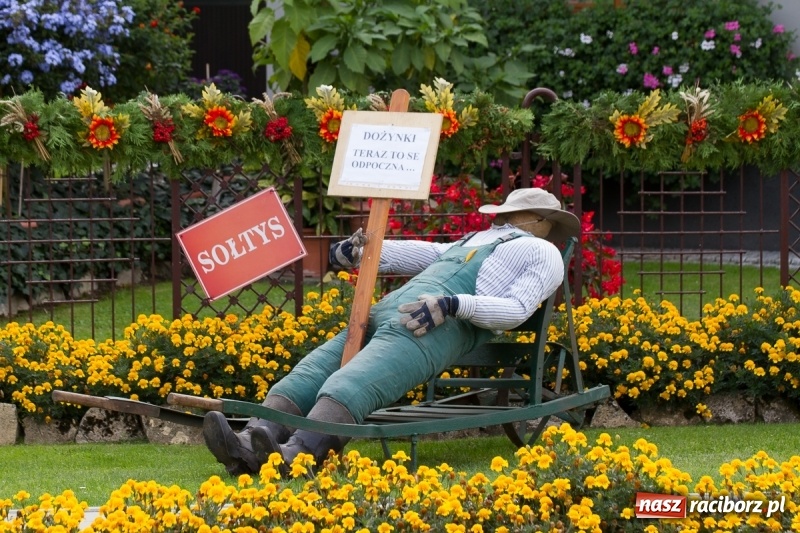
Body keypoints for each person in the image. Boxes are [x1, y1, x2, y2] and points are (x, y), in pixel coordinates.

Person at [202, 187, 581, 476]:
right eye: (503, 215)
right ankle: (251, 441)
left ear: (540, 222)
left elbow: (516, 309)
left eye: (511, 215)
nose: (502, 221)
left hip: (432, 327)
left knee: (353, 383)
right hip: (389, 311)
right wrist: (363, 251)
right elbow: (424, 254)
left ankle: (299, 455)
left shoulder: (542, 252)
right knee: (311, 371)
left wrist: (452, 305)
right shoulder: (474, 241)